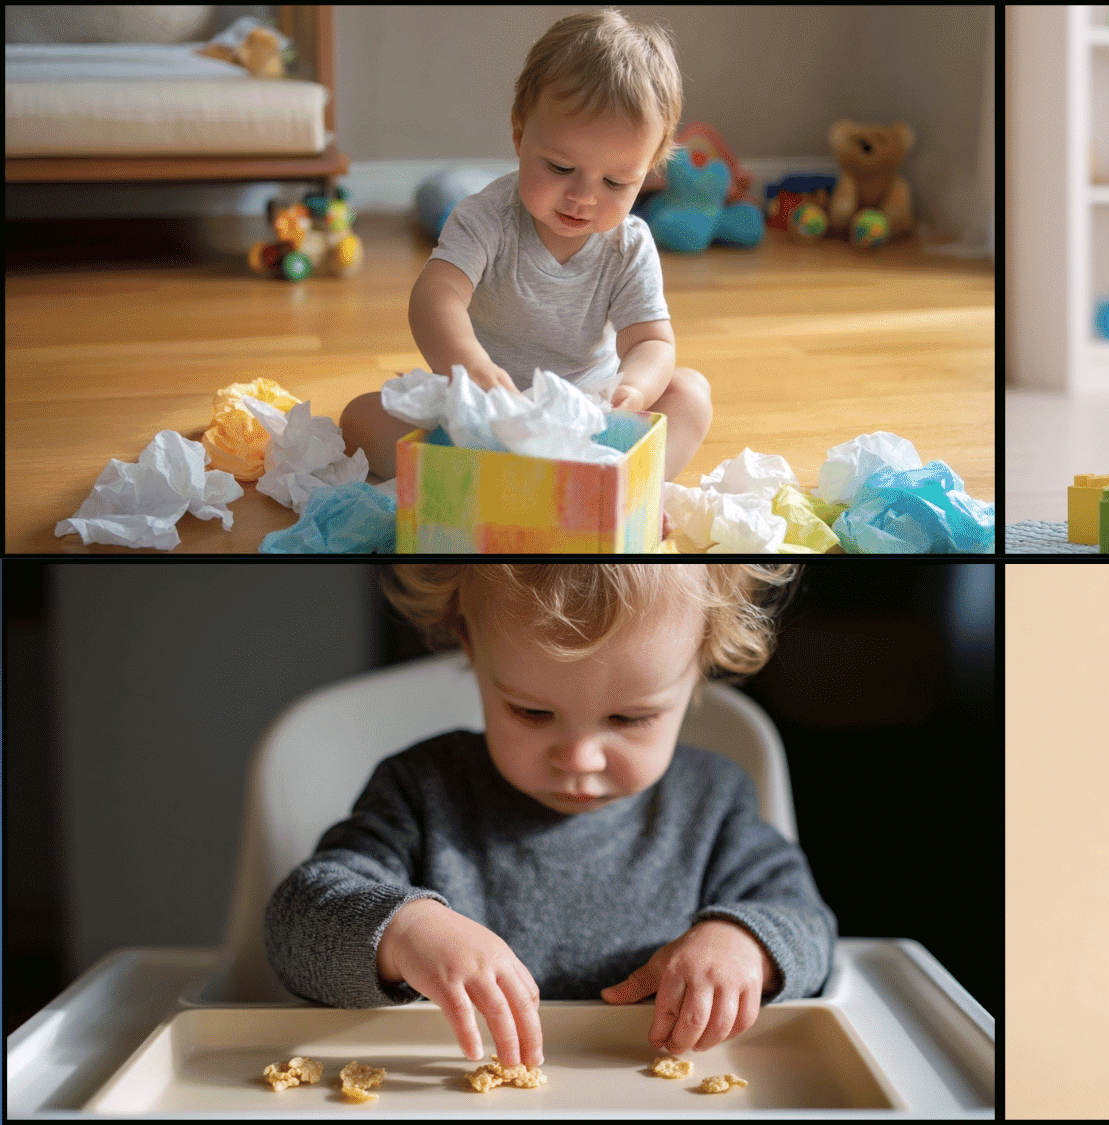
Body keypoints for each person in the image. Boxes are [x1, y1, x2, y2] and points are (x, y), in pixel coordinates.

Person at [264, 563, 832, 1071]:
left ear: (700, 660)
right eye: (533, 713)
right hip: (447, 1087)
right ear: (471, 645)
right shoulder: (421, 789)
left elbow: (807, 927)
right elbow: (295, 925)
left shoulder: (712, 801)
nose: (580, 759)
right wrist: (404, 932)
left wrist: (742, 946)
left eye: (631, 718)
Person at [340, 9, 711, 483]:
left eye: (617, 181)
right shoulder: (485, 217)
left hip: (586, 417)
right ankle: (491, 479)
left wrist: (635, 389)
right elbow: (436, 296)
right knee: (361, 416)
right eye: (559, 168)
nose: (582, 196)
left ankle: (627, 493)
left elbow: (651, 342)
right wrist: (472, 367)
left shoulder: (629, 245)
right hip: (485, 413)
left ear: (648, 172)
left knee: (691, 394)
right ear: (520, 134)